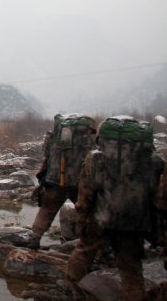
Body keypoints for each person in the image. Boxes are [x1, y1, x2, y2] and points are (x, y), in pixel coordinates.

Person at [65, 117, 164, 300]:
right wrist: (155, 228)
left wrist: (82, 219)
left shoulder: (95, 159)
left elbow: (86, 194)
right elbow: (156, 197)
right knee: (130, 268)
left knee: (84, 251)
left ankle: (71, 288)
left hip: (100, 218)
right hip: (134, 221)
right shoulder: (154, 162)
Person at [28, 114, 96, 249]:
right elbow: (93, 160)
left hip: (54, 181)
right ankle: (89, 246)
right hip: (78, 183)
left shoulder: (54, 137)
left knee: (46, 210)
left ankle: (35, 239)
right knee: (87, 213)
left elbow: (46, 154)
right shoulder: (87, 140)